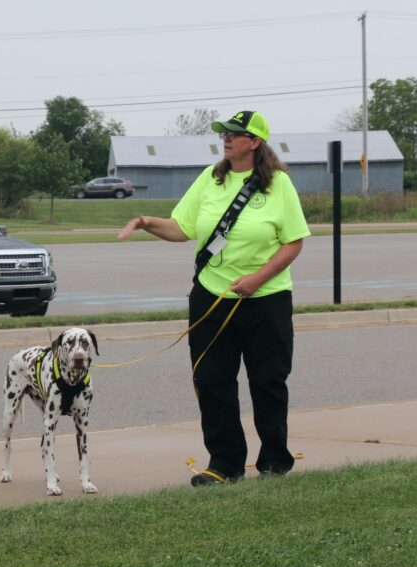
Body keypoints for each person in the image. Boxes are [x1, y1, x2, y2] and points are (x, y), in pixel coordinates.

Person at [118, 111, 310, 485]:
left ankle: (274, 461)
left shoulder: (278, 185)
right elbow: (183, 228)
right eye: (224, 133)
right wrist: (146, 222)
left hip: (266, 299)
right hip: (212, 296)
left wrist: (256, 279)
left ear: (254, 142)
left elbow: (294, 242)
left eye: (235, 134)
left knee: (267, 380)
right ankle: (224, 465)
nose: (226, 139)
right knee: (212, 379)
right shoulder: (210, 178)